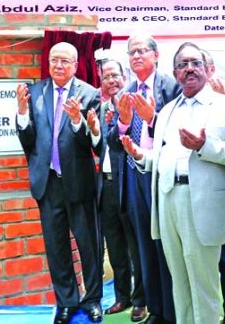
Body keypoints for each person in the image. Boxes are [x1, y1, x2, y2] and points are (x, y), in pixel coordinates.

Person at [120, 43, 225, 324]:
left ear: (206, 69)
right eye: (183, 65)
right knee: (179, 280)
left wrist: (204, 145)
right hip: (167, 199)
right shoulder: (167, 111)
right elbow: (164, 157)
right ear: (175, 73)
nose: (189, 69)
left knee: (204, 283)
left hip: (203, 202)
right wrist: (141, 156)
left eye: (195, 63)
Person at [16, 42, 103, 324]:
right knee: (56, 247)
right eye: (54, 60)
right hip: (48, 182)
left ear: (76, 66)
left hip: (78, 182)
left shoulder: (89, 94)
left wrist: (78, 121)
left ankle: (92, 300)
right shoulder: (36, 92)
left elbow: (94, 142)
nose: (58, 66)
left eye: (65, 61)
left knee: (89, 245)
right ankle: (66, 302)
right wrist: (21, 113)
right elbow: (28, 142)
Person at [106, 31, 180, 324]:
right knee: (144, 248)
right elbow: (113, 142)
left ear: (156, 55)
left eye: (141, 51)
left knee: (167, 248)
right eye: (131, 52)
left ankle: (175, 311)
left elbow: (179, 134)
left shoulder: (171, 88)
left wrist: (152, 118)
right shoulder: (124, 94)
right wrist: (123, 122)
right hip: (133, 178)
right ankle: (157, 310)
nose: (136, 56)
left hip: (163, 177)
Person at [95, 59, 146, 321]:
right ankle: (121, 296)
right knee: (114, 247)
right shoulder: (102, 109)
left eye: (115, 75)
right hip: (106, 186)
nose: (111, 81)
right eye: (106, 77)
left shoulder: (135, 107)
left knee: (136, 245)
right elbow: (98, 146)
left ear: (125, 77)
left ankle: (141, 300)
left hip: (130, 184)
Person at [202, 49, 225, 324]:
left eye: (201, 65)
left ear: (210, 69)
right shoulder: (182, 102)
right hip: (190, 192)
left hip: (219, 192)